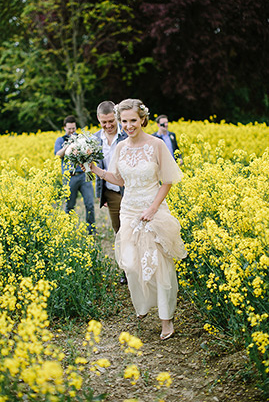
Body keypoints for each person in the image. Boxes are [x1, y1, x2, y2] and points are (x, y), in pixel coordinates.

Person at [84, 99, 187, 340]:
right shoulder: (121, 147)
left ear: (142, 119)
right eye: (124, 121)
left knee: (159, 265)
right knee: (130, 263)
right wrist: (95, 170)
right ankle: (144, 302)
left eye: (133, 120)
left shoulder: (156, 144)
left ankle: (166, 319)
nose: (129, 125)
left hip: (153, 209)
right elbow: (119, 179)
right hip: (129, 210)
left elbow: (168, 180)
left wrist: (153, 208)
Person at [54, 115, 95, 234]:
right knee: (69, 206)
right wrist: (69, 145)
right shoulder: (60, 140)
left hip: (83, 175)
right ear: (64, 128)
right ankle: (68, 230)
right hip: (69, 177)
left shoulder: (81, 138)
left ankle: (91, 230)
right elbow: (58, 155)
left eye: (73, 128)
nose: (72, 131)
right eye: (69, 129)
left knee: (90, 204)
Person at [94, 101, 127, 233]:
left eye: (111, 121)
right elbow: (97, 167)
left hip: (130, 190)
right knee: (118, 229)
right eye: (104, 122)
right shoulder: (95, 139)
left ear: (117, 116)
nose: (108, 126)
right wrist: (100, 193)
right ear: (98, 119)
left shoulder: (127, 133)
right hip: (111, 191)